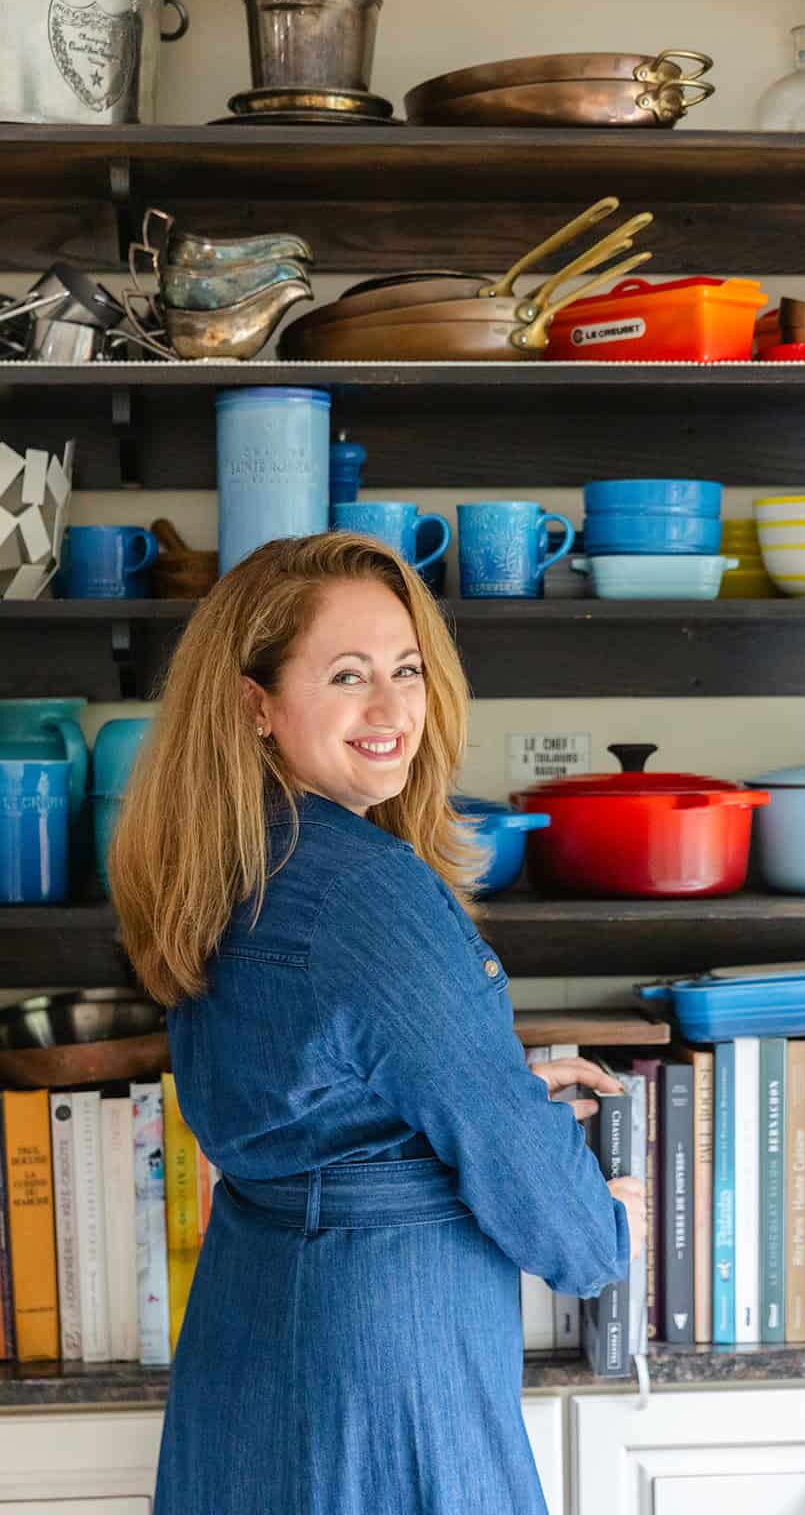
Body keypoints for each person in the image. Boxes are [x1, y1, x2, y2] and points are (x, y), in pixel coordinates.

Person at [109, 531, 645, 1515]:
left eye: (406, 669)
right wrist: (606, 1218)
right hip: (389, 1347)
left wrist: (493, 1087)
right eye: (348, 675)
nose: (393, 709)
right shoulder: (367, 889)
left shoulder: (221, 867)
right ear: (254, 703)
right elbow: (566, 1231)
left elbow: (318, 1099)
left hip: (250, 1319)